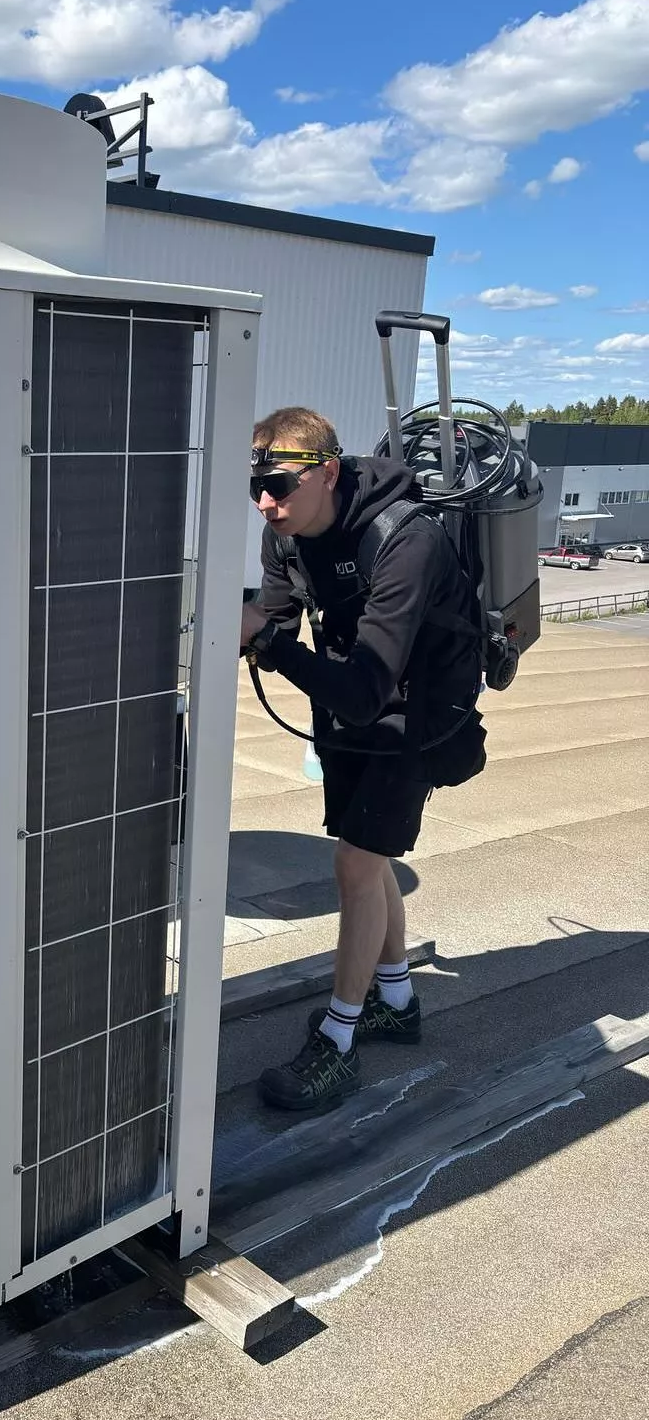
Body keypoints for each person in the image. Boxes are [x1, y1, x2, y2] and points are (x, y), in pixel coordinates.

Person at [240, 406, 483, 1111]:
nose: (265, 503)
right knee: (366, 858)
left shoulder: (409, 539)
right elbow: (275, 622)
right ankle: (397, 1003)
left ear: (327, 472)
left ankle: (339, 1041)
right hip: (349, 704)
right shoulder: (285, 537)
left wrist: (268, 642)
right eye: (255, 487)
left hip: (419, 715)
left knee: (355, 864)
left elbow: (368, 686)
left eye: (278, 486)